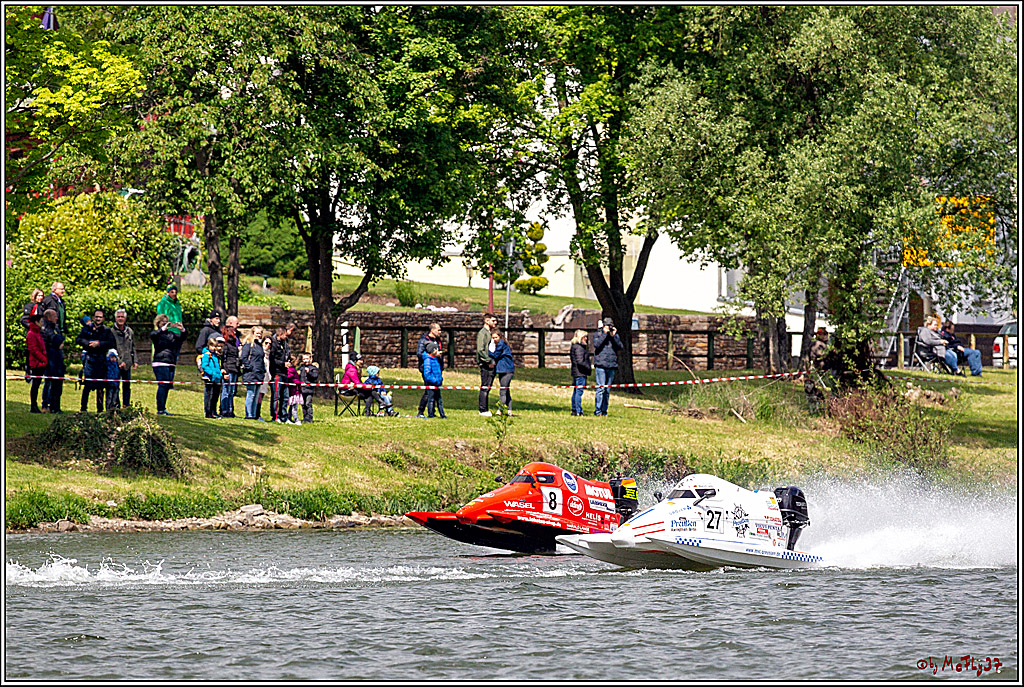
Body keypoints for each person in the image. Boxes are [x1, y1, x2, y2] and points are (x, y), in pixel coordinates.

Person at [75, 310, 115, 412]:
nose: (98, 319)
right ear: (93, 317)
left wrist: (99, 343)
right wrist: (88, 343)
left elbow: (111, 343)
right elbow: (78, 339)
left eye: (100, 317)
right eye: (96, 317)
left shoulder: (106, 331)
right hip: (89, 359)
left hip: (101, 360)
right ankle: (83, 408)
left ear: (103, 319)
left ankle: (100, 409)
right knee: (87, 385)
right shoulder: (86, 329)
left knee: (101, 386)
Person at [151, 313, 185, 416]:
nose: (165, 324)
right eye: (163, 322)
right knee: (163, 385)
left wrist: (182, 329)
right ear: (158, 323)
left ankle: (163, 408)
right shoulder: (157, 334)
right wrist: (162, 329)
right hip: (160, 362)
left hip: (171, 362)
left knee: (167, 386)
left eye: (167, 322)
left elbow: (181, 338)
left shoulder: (171, 335)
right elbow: (152, 335)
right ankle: (160, 409)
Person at [592, 317, 622, 417]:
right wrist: (604, 334)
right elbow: (596, 345)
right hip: (601, 364)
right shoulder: (598, 333)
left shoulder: (613, 335)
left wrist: (614, 336)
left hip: (611, 364)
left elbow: (620, 347)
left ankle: (604, 410)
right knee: (601, 388)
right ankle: (598, 411)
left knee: (607, 390)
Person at [110, 308, 138, 407]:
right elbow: (111, 349)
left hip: (127, 362)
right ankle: (115, 405)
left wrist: (135, 360)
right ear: (115, 318)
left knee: (127, 385)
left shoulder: (129, 331)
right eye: (118, 317)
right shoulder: (111, 332)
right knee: (115, 386)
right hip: (115, 363)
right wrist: (119, 362)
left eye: (122, 317)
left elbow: (133, 346)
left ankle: (126, 405)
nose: (120, 318)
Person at [269, 324, 295, 423]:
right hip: (277, 373)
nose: (286, 336)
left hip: (285, 373)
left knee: (285, 396)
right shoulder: (274, 344)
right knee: (276, 396)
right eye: (284, 335)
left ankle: (284, 416)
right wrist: (282, 363)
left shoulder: (285, 344)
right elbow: (273, 359)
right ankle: (275, 416)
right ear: (280, 334)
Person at [41, 308, 65, 413]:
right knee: (49, 382)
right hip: (50, 359)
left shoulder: (56, 327)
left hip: (58, 360)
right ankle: (46, 404)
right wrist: (58, 341)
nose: (57, 318)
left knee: (58, 384)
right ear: (49, 317)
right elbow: (54, 340)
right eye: (55, 316)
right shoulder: (45, 328)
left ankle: (56, 406)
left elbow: (60, 338)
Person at [240, 326, 267, 421]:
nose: (259, 335)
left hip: (259, 374)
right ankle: (249, 414)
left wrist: (263, 371)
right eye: (257, 333)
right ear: (253, 333)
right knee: (250, 394)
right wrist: (249, 367)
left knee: (256, 396)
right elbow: (243, 357)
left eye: (260, 333)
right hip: (251, 374)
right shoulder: (248, 344)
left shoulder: (259, 346)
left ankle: (254, 414)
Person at [417, 323, 443, 417]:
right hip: (427, 368)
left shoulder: (438, 340)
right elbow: (419, 354)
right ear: (432, 330)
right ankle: (421, 411)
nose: (440, 332)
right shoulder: (423, 340)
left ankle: (433, 411)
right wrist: (432, 355)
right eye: (438, 330)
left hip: (437, 368)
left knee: (435, 392)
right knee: (429, 391)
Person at [802, 327, 830, 413]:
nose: (827, 337)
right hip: (821, 365)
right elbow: (820, 355)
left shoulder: (823, 344)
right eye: (825, 335)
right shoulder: (817, 344)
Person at [488, 327, 515, 415]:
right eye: (493, 338)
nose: (494, 339)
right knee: (506, 390)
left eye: (496, 337)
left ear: (500, 336)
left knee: (503, 391)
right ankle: (509, 410)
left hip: (506, 370)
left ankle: (500, 410)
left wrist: (487, 352)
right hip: (504, 370)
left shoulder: (501, 344)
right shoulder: (502, 343)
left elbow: (495, 355)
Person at [476, 313, 498, 416]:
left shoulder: (489, 332)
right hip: (486, 364)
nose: (495, 323)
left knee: (488, 386)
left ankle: (485, 408)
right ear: (486, 321)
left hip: (491, 362)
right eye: (493, 321)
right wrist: (488, 360)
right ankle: (482, 409)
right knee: (485, 386)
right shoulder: (482, 333)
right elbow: (480, 349)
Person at [219, 316, 241, 417]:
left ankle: (230, 410)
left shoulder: (234, 344)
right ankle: (224, 409)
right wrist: (225, 370)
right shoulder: (226, 345)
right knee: (226, 390)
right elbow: (224, 358)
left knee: (232, 391)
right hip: (229, 369)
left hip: (234, 369)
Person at [26, 312, 48, 413]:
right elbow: (33, 349)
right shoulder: (31, 334)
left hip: (40, 362)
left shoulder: (37, 333)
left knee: (37, 384)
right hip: (36, 363)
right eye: (41, 321)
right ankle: (33, 405)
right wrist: (43, 359)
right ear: (36, 322)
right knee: (35, 384)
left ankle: (34, 405)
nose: (43, 323)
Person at [201, 335, 225, 419]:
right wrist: (212, 373)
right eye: (212, 346)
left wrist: (220, 374)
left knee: (215, 396)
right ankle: (208, 412)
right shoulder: (207, 354)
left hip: (217, 378)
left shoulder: (216, 356)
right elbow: (205, 365)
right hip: (210, 378)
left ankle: (213, 411)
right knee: (209, 396)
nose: (214, 348)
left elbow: (218, 366)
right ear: (208, 346)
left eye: (215, 346)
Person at [420, 341, 445, 419]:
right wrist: (434, 380)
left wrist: (440, 379)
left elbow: (438, 370)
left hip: (437, 383)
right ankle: (430, 414)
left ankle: (442, 414)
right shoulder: (428, 360)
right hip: (431, 383)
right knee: (431, 400)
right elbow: (427, 374)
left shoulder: (436, 359)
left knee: (439, 400)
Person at [569, 329, 591, 416]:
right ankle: (578, 410)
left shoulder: (575, 347)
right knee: (578, 392)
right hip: (580, 373)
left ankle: (574, 409)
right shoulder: (579, 348)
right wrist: (588, 368)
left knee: (576, 391)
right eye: (585, 337)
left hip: (576, 372)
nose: (586, 339)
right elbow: (580, 361)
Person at [298, 352, 320, 423]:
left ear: (311, 359)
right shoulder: (301, 368)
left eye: (307, 359)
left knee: (308, 404)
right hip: (302, 389)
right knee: (303, 404)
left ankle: (309, 418)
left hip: (309, 389)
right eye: (304, 359)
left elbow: (315, 376)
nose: (305, 360)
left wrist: (309, 372)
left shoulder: (313, 368)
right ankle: (305, 418)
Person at [256, 336, 272, 419]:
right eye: (266, 343)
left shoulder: (268, 354)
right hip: (259, 376)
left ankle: (258, 413)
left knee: (261, 395)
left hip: (265, 378)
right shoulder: (260, 352)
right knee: (257, 395)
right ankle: (255, 413)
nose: (268, 345)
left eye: (270, 344)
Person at [285, 356, 303, 424]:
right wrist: (299, 383)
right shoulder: (291, 370)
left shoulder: (294, 370)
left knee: (292, 406)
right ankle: (296, 419)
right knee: (294, 406)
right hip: (293, 392)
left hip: (295, 391)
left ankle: (289, 417)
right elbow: (292, 379)